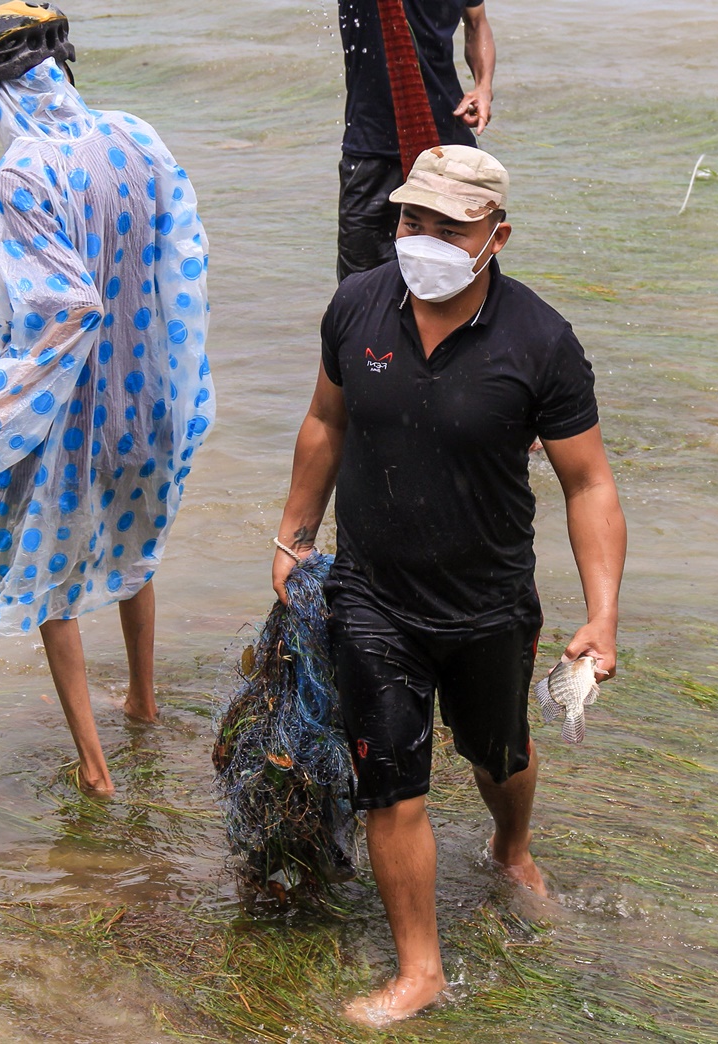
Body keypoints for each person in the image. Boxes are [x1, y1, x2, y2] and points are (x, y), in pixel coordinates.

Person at [272, 145, 625, 1025]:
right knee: (391, 783)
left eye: (448, 226)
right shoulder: (357, 307)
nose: (421, 238)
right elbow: (325, 421)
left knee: (496, 752)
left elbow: (590, 484)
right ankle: (420, 969)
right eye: (410, 219)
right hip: (373, 595)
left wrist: (603, 615)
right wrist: (294, 533)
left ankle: (512, 850)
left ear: (495, 236)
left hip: (488, 600)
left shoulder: (540, 341)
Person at [0, 1, 215, 794]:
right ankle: (142, 700)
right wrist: (174, 378)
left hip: (74, 405)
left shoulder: (25, 170)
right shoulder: (134, 135)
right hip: (152, 387)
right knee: (132, 539)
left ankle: (95, 771)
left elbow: (64, 312)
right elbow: (184, 261)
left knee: (48, 570)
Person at [337, 0, 495, 281]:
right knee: (361, 286)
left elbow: (477, 23)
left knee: (462, 276)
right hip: (373, 147)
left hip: (447, 141)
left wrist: (483, 87)